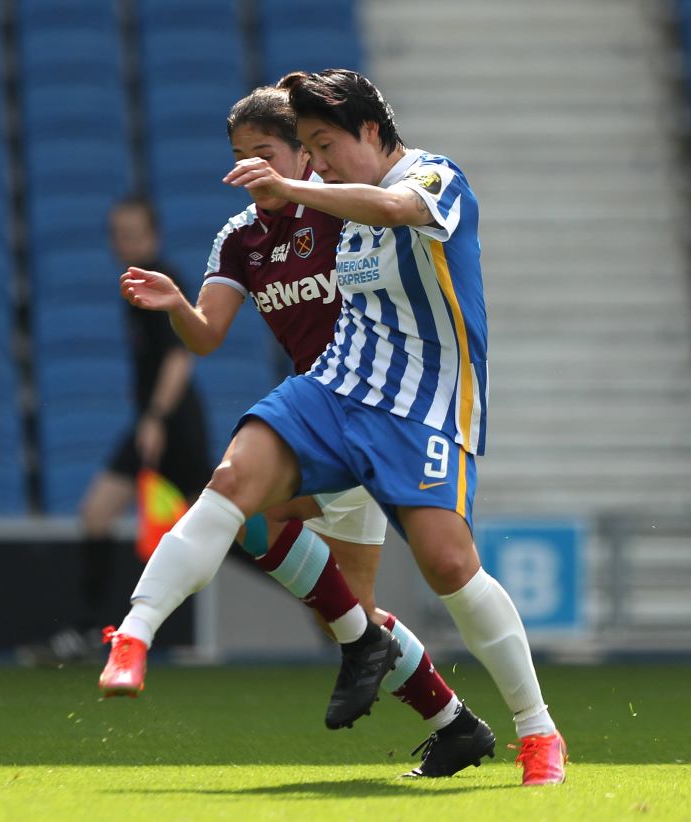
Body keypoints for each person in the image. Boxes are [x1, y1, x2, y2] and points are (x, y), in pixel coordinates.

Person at [101, 70, 567, 786]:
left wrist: (295, 186)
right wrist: (183, 302)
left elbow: (391, 206)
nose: (313, 160)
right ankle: (133, 635)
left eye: (320, 144)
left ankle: (534, 731)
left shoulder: (433, 176)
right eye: (307, 147)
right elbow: (221, 323)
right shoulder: (275, 225)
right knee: (233, 489)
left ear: (373, 134)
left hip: (419, 403)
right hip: (332, 387)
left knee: (443, 567)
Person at [67, 198, 211, 646]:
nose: (122, 242)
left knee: (230, 532)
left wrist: (154, 419)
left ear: (154, 235)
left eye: (131, 232)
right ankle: (94, 630)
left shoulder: (159, 280)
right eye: (116, 233)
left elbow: (178, 356)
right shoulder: (134, 286)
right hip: (160, 424)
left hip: (171, 427)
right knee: (96, 515)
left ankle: (323, 603)